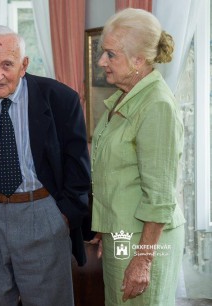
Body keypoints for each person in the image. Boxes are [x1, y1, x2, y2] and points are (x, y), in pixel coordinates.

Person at [0, 25, 91, 306]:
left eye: (7, 65)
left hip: (42, 214)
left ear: (24, 64)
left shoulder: (60, 99)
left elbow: (78, 167)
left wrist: (62, 216)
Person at [89, 8, 186, 306]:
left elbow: (159, 196)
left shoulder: (156, 105)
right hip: (123, 236)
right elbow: (117, 176)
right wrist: (107, 228)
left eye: (110, 54)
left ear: (138, 60)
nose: (101, 61)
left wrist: (143, 261)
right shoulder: (125, 96)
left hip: (144, 243)